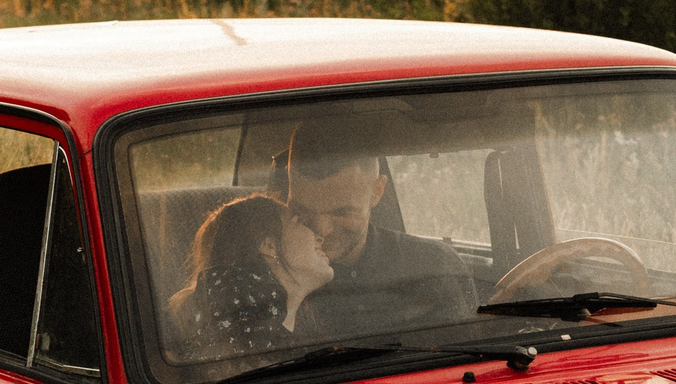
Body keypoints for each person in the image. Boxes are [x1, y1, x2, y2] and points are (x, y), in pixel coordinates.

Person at [279, 118, 476, 339]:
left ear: (377, 191)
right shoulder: (264, 274)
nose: (322, 230)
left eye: (342, 213)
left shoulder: (435, 267)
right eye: (303, 210)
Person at [168, 193, 333, 360]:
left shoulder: (314, 326)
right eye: (301, 223)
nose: (320, 237)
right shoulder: (238, 336)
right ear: (269, 246)